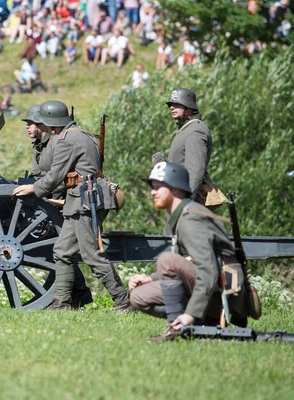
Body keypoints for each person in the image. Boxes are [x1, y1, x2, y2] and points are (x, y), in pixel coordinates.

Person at [13, 100, 129, 310]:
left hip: (85, 201)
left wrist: (34, 189)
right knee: (63, 251)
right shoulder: (80, 133)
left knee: (91, 255)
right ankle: (64, 302)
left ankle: (124, 301)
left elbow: (56, 175)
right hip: (79, 200)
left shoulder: (67, 139)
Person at [129, 162, 247, 342]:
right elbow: (189, 262)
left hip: (225, 294)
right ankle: (205, 323)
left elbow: (208, 270)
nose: (153, 192)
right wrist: (150, 279)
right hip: (215, 289)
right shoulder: (183, 214)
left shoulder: (191, 219)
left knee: (166, 259)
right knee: (138, 296)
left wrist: (190, 314)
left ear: (176, 189)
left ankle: (178, 328)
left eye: (159, 187)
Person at [21, 104, 94, 309]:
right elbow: (41, 175)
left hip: (67, 201)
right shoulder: (41, 144)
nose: (27, 127)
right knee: (63, 250)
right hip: (55, 200)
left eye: (31, 123)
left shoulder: (59, 142)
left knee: (73, 252)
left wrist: (41, 193)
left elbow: (59, 177)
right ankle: (77, 294)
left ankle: (118, 299)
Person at [153, 88, 216, 206]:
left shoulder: (195, 130)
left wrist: (185, 201)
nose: (171, 107)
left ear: (189, 107)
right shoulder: (187, 129)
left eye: (177, 104)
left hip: (188, 202)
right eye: (171, 105)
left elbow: (195, 171)